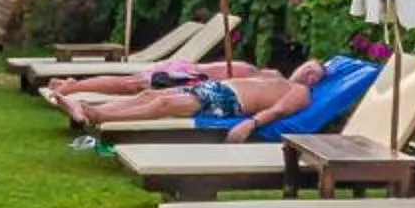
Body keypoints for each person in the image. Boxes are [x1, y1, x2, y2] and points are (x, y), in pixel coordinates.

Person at [66, 60, 326, 142]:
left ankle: (101, 117)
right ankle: (95, 109)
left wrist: (250, 124)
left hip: (228, 101)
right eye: (311, 66)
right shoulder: (274, 74)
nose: (310, 72)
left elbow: (279, 110)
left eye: (316, 74)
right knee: (150, 95)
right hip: (216, 88)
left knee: (163, 106)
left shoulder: (301, 92)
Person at [44, 57, 263, 121]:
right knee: (134, 85)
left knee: (140, 89)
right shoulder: (254, 75)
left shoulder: (255, 77)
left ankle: (81, 97)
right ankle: (76, 89)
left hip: (183, 72)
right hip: (185, 75)